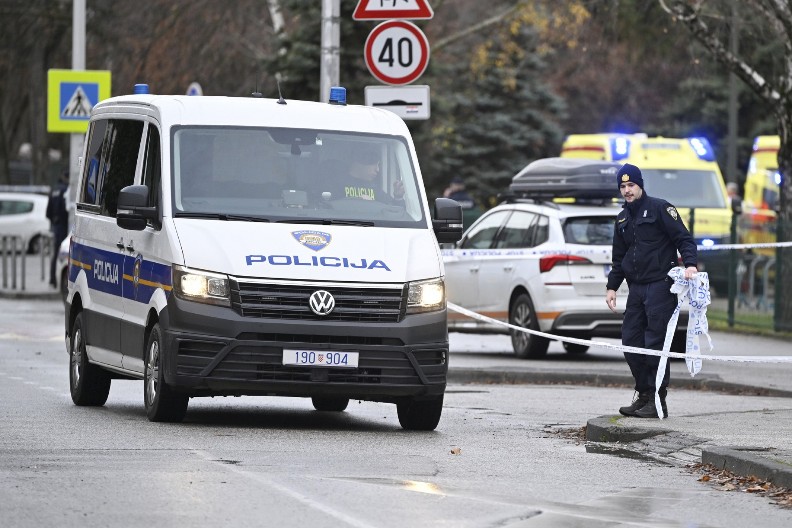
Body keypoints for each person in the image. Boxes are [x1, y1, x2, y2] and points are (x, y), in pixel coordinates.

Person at [605, 163, 698, 419]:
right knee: (630, 342)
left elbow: (684, 239)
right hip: (636, 288)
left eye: (631, 185)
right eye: (622, 186)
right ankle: (644, 394)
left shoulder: (660, 208)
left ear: (640, 185)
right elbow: (619, 257)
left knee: (654, 344)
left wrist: (690, 264)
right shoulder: (622, 218)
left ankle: (658, 401)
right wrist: (612, 286)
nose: (627, 190)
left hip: (660, 286)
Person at [330, 149, 404, 204]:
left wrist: (398, 197)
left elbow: (393, 211)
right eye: (374, 164)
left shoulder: (375, 189)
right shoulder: (337, 185)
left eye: (378, 165)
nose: (377, 169)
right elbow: (329, 208)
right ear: (361, 162)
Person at [46, 171, 70, 288]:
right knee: (65, 253)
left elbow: (48, 212)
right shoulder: (66, 190)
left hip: (56, 225)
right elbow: (66, 211)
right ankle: (64, 280)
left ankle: (52, 279)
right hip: (64, 226)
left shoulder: (54, 190)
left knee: (55, 253)